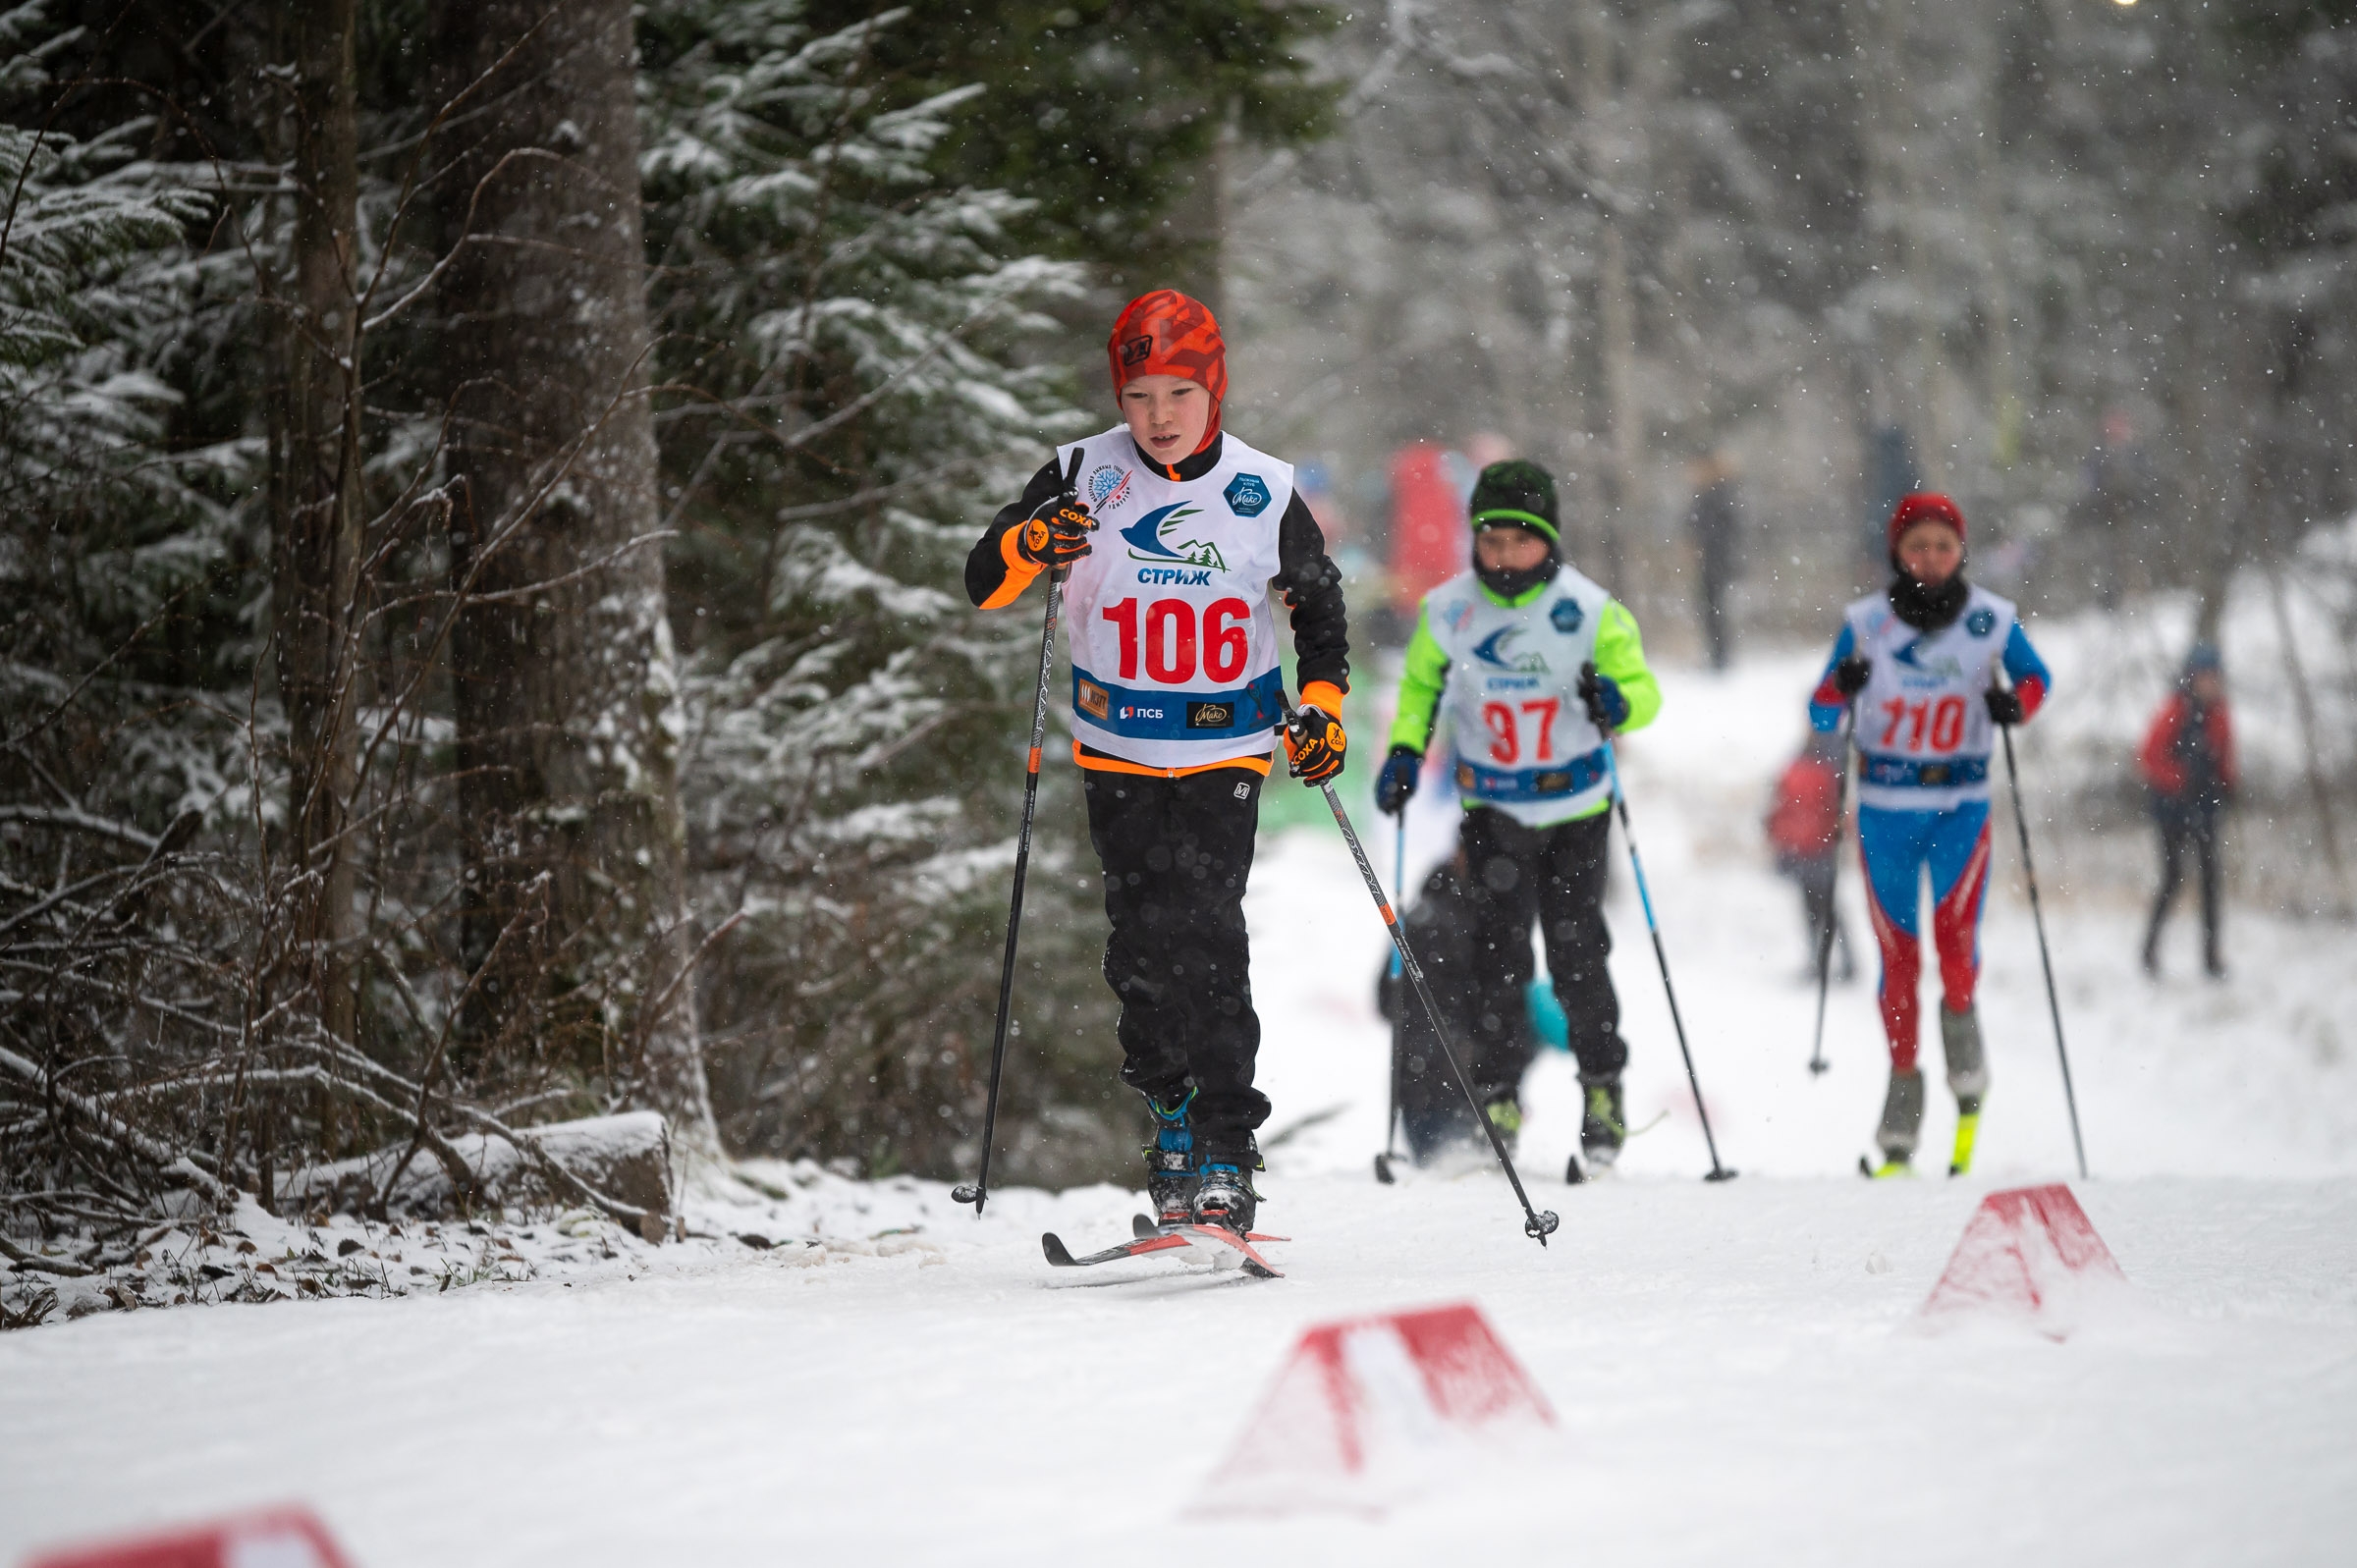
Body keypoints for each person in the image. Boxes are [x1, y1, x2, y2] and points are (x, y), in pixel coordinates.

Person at [963, 290, 1350, 1236]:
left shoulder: (1262, 489)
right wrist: (1030, 541)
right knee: (1139, 944)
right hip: (1120, 748)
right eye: (1140, 395)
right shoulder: (1080, 473)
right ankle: (1170, 1117)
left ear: (1213, 391)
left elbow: (1322, 610)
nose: (1160, 415)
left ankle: (1226, 1144)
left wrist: (1326, 709)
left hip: (1226, 747)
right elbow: (985, 581)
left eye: (1180, 392)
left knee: (1210, 935)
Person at [1374, 460, 1662, 1179]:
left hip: (1574, 810)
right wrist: (1406, 750)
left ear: (1548, 539)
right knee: (1499, 957)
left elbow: (1644, 691)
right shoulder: (1451, 610)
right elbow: (1418, 688)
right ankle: (1497, 1096)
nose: (1502, 554)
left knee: (1576, 953)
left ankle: (1603, 1091)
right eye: (1491, 539)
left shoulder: (1589, 610)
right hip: (1494, 808)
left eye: (1519, 540)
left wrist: (1615, 702)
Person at [1811, 492, 2053, 1178]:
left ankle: (1967, 1060)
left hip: (1959, 808)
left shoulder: (1990, 619)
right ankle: (1902, 1102)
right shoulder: (1864, 623)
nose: (1930, 557)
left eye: (1944, 545)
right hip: (1886, 810)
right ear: (1897, 551)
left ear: (1961, 551)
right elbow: (1822, 711)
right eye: (1917, 545)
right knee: (1899, 962)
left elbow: (2037, 678)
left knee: (1953, 949)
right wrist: (1843, 683)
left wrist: (2015, 705)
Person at [2139, 643, 2236, 978]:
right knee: (2173, 878)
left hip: (2206, 806)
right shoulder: (2175, 710)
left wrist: (2227, 783)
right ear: (2193, 677)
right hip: (2171, 809)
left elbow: (2225, 753)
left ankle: (2211, 958)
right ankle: (2149, 951)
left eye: (2215, 677)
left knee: (2211, 881)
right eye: (2206, 676)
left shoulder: (2219, 713)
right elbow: (2149, 755)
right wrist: (2180, 778)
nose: (2211, 683)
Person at [1766, 730, 1855, 982]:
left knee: (1815, 909)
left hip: (1804, 849)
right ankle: (1836, 962)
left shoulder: (1795, 768)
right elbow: (1838, 812)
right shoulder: (1828, 767)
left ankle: (1823, 962)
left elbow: (1778, 807)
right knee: (1828, 909)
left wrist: (1777, 835)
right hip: (1819, 848)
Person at [1686, 452, 1743, 670]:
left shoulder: (1719, 496)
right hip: (1710, 563)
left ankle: (1720, 657)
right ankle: (1716, 655)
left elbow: (1725, 531)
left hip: (1717, 562)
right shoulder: (1705, 496)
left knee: (1715, 610)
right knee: (1710, 610)